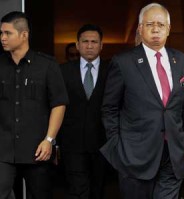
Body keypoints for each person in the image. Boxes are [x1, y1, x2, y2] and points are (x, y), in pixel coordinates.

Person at [100, 3, 184, 199]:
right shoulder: (123, 62)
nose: (156, 29)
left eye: (161, 24)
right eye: (150, 24)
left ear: (168, 29)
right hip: (134, 155)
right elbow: (109, 108)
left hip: (173, 153)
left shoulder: (182, 61)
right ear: (140, 29)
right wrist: (117, 146)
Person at [0, 11, 68, 199]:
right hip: (3, 151)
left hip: (37, 150)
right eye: (1, 33)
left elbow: (59, 104)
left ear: (24, 35)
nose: (2, 38)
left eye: (8, 33)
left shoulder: (47, 65)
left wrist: (49, 139)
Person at [59, 24, 110, 199]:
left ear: (101, 45)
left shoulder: (112, 70)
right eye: (85, 41)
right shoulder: (62, 71)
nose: (89, 46)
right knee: (77, 190)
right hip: (72, 143)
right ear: (78, 44)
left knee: (99, 189)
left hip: (103, 142)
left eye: (94, 42)